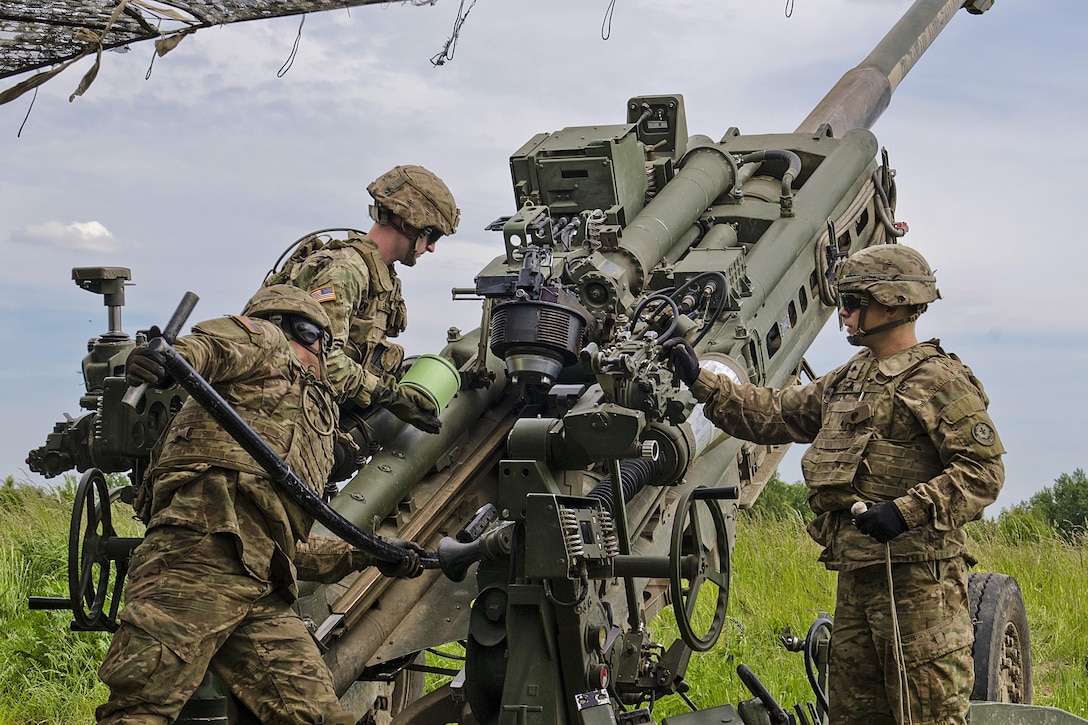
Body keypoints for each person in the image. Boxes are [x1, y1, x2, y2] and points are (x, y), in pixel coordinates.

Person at [664, 243, 1004, 725]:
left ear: (890, 302)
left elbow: (983, 471)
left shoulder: (937, 379)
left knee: (927, 713)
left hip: (918, 584)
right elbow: (776, 413)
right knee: (854, 714)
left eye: (851, 301)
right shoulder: (849, 380)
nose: (842, 313)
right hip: (858, 578)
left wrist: (905, 511)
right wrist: (702, 380)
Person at [97, 285, 424, 725]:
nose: (322, 357)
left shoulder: (306, 420)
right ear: (298, 330)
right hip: (195, 563)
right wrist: (168, 361)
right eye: (317, 339)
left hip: (260, 588)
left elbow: (291, 550)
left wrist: (375, 552)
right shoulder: (268, 343)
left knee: (317, 717)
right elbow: (210, 347)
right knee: (139, 713)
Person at [267, 164, 460, 441]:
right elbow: (314, 358)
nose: (431, 247)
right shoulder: (346, 270)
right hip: (278, 422)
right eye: (433, 235)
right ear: (408, 224)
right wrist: (387, 395)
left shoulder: (382, 280)